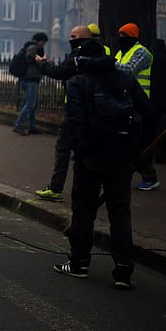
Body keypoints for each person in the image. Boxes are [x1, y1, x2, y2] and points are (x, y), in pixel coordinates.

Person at [53, 40, 150, 287]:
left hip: (91, 157)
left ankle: (79, 263)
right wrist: (136, 149)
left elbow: (75, 122)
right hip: (122, 157)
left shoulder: (79, 82)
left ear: (82, 60)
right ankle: (124, 270)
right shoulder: (125, 79)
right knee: (120, 212)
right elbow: (147, 112)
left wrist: (81, 152)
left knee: (84, 210)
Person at [33, 25, 91, 200]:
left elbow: (60, 73)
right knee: (84, 152)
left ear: (83, 38)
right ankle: (85, 192)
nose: (70, 39)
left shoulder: (77, 57)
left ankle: (56, 188)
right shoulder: (97, 56)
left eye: (74, 36)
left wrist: (43, 64)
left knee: (63, 149)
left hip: (74, 111)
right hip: (91, 111)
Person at [114, 23, 157, 190]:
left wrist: (107, 64)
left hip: (139, 103)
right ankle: (121, 175)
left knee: (137, 141)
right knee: (123, 140)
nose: (121, 38)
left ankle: (149, 176)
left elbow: (129, 70)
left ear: (133, 37)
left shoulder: (142, 53)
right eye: (119, 35)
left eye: (124, 35)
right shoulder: (120, 53)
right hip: (123, 101)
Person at [12, 32, 47, 136]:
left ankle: (32, 127)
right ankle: (18, 125)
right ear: (41, 41)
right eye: (44, 42)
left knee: (33, 104)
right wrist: (43, 61)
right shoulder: (33, 48)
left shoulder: (29, 46)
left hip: (27, 78)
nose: (44, 45)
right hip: (30, 79)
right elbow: (32, 60)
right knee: (30, 104)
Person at [148, 39, 166, 163]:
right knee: (162, 128)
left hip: (150, 96)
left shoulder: (149, 59)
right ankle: (160, 153)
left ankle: (148, 152)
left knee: (149, 127)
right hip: (163, 98)